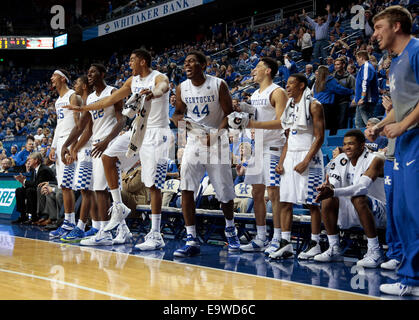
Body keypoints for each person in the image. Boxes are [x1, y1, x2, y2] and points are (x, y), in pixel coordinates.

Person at [65, 49, 171, 250]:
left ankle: (156, 234)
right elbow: (107, 102)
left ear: (142, 61)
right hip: (137, 132)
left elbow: (163, 87)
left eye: (131, 59)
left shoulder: (159, 77)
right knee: (107, 156)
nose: (129, 63)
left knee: (153, 185)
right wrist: (82, 109)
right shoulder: (132, 82)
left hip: (157, 132)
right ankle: (119, 207)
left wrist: (153, 93)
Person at [365, 5, 419, 296]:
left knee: (414, 210)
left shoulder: (417, 51)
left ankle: (414, 278)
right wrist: (381, 125)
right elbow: (402, 108)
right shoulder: (396, 62)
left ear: (397, 26)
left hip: (416, 138)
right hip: (406, 142)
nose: (374, 35)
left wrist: (402, 126)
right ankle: (410, 279)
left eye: (379, 28)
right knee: (401, 211)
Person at [171, 50, 240, 257]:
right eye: (185, 62)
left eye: (192, 61)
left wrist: (216, 134)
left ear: (203, 64)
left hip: (217, 141)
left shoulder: (218, 84)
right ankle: (191, 238)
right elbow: (177, 114)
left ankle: (231, 230)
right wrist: (181, 124)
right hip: (194, 140)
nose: (187, 65)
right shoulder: (182, 87)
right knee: (186, 187)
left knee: (225, 192)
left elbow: (230, 115)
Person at [61, 63, 127, 246]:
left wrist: (107, 140)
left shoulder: (113, 92)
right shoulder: (90, 98)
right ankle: (118, 230)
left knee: (105, 190)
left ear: (103, 74)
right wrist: (66, 145)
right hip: (97, 146)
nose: (89, 75)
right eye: (88, 73)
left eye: (93, 72)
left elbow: (121, 121)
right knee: (101, 190)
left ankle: (106, 231)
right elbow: (83, 127)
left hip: (110, 145)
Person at [234, 57, 288, 256]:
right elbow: (256, 120)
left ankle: (278, 238)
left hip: (273, 146)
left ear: (268, 71)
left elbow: (282, 122)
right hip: (258, 148)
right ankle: (261, 236)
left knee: (273, 193)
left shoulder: (277, 91)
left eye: (257, 67)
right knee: (256, 193)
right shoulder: (256, 94)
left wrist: (254, 125)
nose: (253, 70)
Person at [269, 73, 325, 260]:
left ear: (302, 85)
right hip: (291, 155)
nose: (288, 86)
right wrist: (281, 161)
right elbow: (288, 139)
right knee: (285, 201)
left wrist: (306, 160)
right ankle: (286, 244)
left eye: (292, 83)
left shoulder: (314, 105)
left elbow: (319, 137)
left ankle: (315, 243)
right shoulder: (289, 107)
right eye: (287, 84)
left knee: (312, 202)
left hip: (308, 155)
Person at [314, 130, 387, 268]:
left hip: (380, 209)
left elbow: (362, 188)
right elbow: (333, 184)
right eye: (345, 144)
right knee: (327, 199)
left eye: (351, 144)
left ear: (362, 145)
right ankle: (334, 248)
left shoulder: (376, 159)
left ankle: (375, 251)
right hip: (354, 207)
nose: (347, 147)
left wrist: (333, 191)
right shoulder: (341, 160)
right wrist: (328, 187)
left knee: (358, 197)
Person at [60, 75, 99, 243]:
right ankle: (96, 225)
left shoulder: (88, 103)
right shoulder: (84, 103)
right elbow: (78, 128)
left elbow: (88, 130)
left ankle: (81, 227)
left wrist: (74, 147)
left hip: (89, 148)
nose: (74, 84)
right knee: (88, 189)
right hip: (84, 148)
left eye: (77, 82)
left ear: (84, 86)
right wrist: (68, 146)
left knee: (86, 190)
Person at [47, 69, 81, 239]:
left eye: (54, 76)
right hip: (61, 142)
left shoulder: (72, 96)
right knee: (63, 185)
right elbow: (59, 125)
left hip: (69, 143)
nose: (51, 79)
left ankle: (71, 223)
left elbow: (78, 123)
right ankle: (68, 222)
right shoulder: (58, 101)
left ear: (62, 78)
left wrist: (73, 146)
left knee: (68, 185)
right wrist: (53, 146)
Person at [13, 152, 57, 224]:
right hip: (38, 189)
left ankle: (34, 216)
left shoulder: (43, 169)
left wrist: (24, 181)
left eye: (30, 159)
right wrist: (23, 182)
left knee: (30, 191)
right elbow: (33, 183)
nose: (28, 161)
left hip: (47, 190)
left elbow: (37, 184)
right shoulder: (34, 170)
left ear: (36, 160)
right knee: (19, 190)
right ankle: (23, 216)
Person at [312, 65, 353, 136]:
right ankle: (331, 142)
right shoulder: (329, 80)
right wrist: (351, 91)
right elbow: (339, 89)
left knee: (322, 126)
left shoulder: (317, 82)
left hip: (317, 106)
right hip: (327, 107)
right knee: (332, 125)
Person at [351, 50, 379, 128]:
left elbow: (365, 82)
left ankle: (376, 138)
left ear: (362, 58)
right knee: (359, 123)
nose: (357, 61)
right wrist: (356, 98)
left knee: (369, 123)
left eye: (357, 59)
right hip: (362, 101)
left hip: (367, 100)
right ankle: (362, 139)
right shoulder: (363, 67)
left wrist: (362, 98)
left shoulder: (367, 66)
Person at [332, 57, 356, 131]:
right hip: (333, 103)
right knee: (333, 123)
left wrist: (353, 100)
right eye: (335, 64)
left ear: (343, 65)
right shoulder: (332, 77)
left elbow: (354, 90)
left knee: (342, 122)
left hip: (344, 102)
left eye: (338, 64)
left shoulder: (350, 77)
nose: (336, 66)